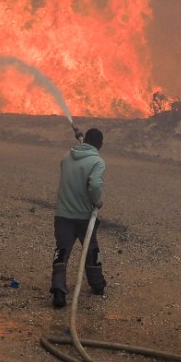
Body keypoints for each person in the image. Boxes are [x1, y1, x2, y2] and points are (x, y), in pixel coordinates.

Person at [50, 127, 106, 308]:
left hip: (63, 214)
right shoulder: (97, 162)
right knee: (91, 250)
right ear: (100, 144)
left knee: (62, 252)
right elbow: (95, 185)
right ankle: (97, 285)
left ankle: (58, 290)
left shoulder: (66, 157)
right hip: (84, 217)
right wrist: (97, 201)